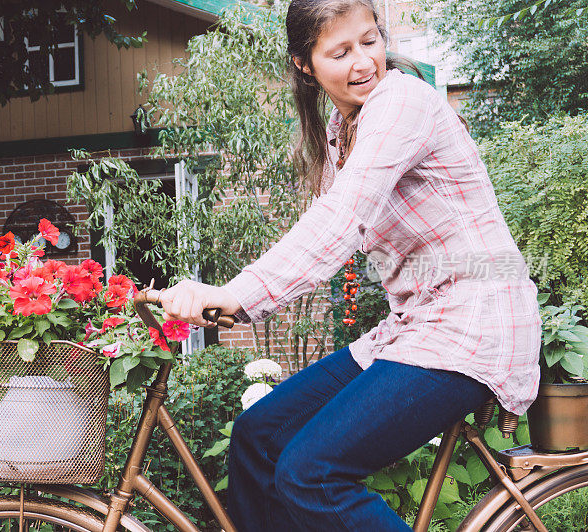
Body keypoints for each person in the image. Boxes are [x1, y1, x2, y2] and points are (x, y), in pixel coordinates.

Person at [158, 0, 542, 530]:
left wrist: (236, 294)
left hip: (471, 326)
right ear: (304, 65)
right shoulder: (343, 134)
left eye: (369, 40)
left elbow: (342, 220)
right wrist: (228, 300)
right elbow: (322, 230)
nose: (364, 62)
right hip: (412, 329)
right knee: (258, 436)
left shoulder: (402, 101)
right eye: (340, 52)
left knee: (311, 472)